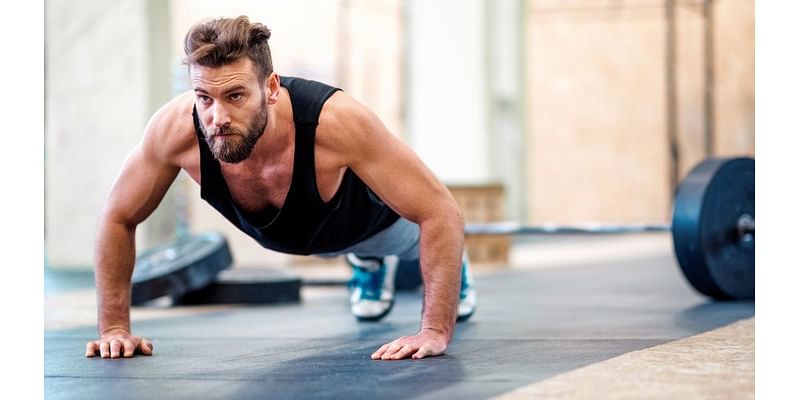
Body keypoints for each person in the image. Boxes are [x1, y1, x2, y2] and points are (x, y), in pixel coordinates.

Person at [84, 16, 476, 361]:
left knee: (409, 241)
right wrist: (114, 327)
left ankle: (428, 263)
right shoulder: (175, 131)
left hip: (374, 225)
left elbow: (441, 211)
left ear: (270, 88)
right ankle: (367, 264)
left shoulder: (336, 121)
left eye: (235, 95)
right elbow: (118, 216)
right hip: (290, 235)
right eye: (204, 97)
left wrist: (434, 330)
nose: (217, 117)